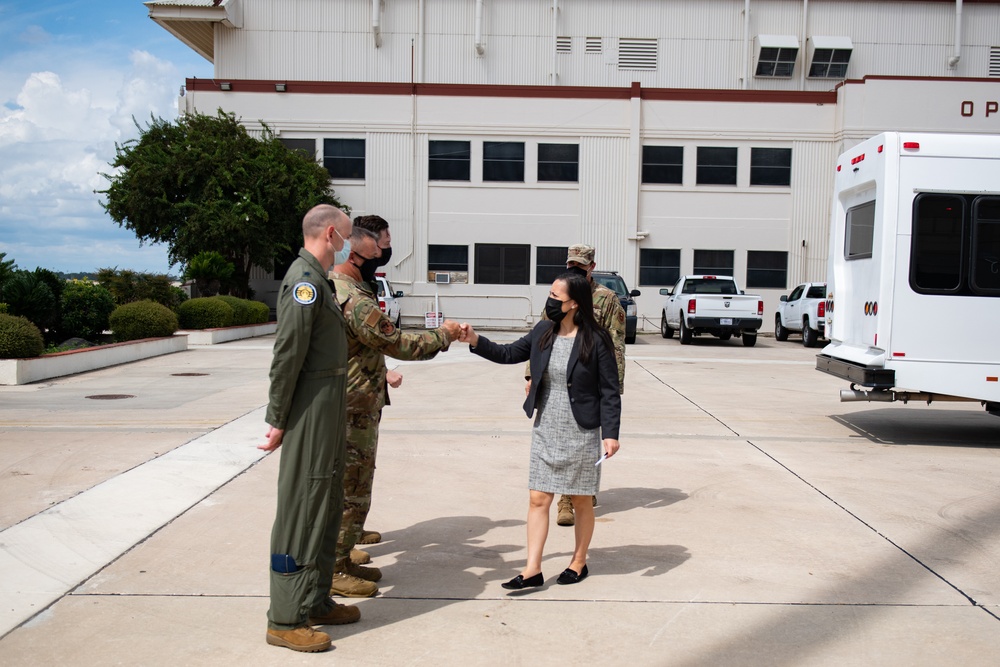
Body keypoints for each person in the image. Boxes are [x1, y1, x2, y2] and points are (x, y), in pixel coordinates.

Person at [460, 272, 621, 589]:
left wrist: (611, 433)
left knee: (580, 501)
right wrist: (476, 340)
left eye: (555, 296)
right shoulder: (543, 331)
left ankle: (579, 560)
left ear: (574, 303)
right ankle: (532, 569)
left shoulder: (595, 338)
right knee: (537, 499)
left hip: (581, 429)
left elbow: (610, 390)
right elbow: (508, 353)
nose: (549, 301)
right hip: (547, 425)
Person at [328, 222, 461, 598]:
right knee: (352, 486)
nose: (383, 255)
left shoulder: (349, 287)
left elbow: (358, 347)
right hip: (352, 406)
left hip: (357, 398)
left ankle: (343, 555)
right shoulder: (354, 296)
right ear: (358, 250)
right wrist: (445, 335)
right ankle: (334, 567)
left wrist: (381, 373)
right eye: (380, 249)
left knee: (353, 483)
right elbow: (397, 342)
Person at [258, 204, 357, 653]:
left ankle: (315, 599)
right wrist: (277, 419)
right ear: (332, 234)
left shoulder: (319, 281)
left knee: (327, 500)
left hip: (330, 404)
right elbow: (287, 355)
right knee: (304, 504)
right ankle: (284, 618)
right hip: (310, 409)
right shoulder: (304, 283)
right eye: (347, 237)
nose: (349, 246)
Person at [526, 244, 626, 527]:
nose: (574, 271)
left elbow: (616, 345)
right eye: (571, 267)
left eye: (580, 268)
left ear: (591, 267)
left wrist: (612, 388)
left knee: (581, 444)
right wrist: (530, 375)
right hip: (559, 378)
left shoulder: (607, 299)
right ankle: (567, 500)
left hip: (590, 378)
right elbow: (540, 338)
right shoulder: (561, 293)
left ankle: (574, 497)